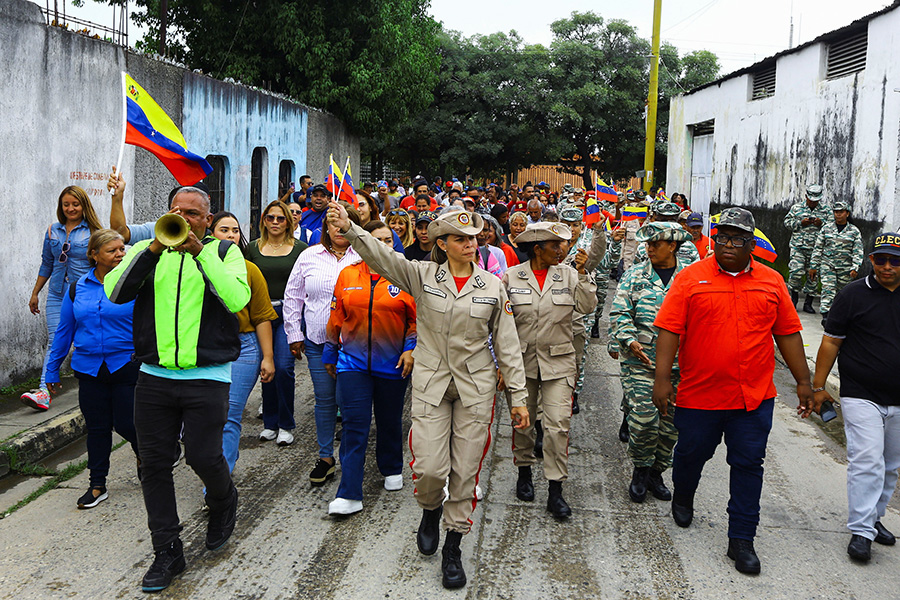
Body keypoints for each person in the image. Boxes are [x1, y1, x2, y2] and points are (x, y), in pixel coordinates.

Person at [326, 203, 529, 590]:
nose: (471, 244)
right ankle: (430, 510)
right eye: (461, 238)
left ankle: (453, 545)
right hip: (433, 385)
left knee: (466, 471)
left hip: (475, 387)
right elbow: (381, 255)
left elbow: (508, 344)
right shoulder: (421, 276)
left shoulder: (492, 286)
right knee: (430, 469)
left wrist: (517, 397)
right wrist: (350, 228)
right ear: (443, 243)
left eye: (474, 238)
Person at [651, 207, 813, 576]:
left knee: (748, 465)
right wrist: (663, 378)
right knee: (691, 454)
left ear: (751, 244)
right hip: (699, 395)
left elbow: (787, 333)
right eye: (722, 237)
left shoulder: (772, 282)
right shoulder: (691, 279)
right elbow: (669, 329)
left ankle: (741, 539)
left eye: (737, 239)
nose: (727, 245)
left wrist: (804, 383)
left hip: (753, 399)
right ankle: (684, 493)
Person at [105, 186, 249, 592]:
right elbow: (115, 292)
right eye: (176, 211)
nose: (183, 218)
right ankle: (167, 550)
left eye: (193, 213)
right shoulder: (147, 254)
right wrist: (151, 250)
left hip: (207, 376)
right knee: (153, 465)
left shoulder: (223, 253)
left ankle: (223, 499)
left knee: (204, 457)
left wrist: (201, 251)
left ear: (206, 219)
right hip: (154, 377)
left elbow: (238, 298)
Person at [811, 232, 900, 562]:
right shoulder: (852, 294)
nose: (887, 266)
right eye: (880, 259)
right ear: (870, 259)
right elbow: (831, 341)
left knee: (890, 467)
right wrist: (819, 388)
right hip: (860, 394)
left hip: (899, 400)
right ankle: (862, 531)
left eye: (895, 260)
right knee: (867, 460)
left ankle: (875, 518)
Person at [323, 220, 417, 515]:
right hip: (352, 363)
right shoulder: (347, 274)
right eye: (375, 239)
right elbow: (336, 315)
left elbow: (416, 322)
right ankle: (349, 492)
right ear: (360, 244)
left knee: (390, 420)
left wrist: (411, 350)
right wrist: (330, 351)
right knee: (354, 425)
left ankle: (391, 466)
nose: (382, 245)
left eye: (388, 240)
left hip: (392, 363)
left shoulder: (405, 277)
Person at [503, 222, 596, 517]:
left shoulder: (569, 274)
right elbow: (500, 324)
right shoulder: (511, 277)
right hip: (521, 364)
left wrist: (583, 273)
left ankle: (555, 489)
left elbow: (587, 305)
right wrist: (498, 364)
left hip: (559, 363)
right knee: (524, 424)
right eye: (555, 245)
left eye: (563, 244)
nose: (563, 250)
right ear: (537, 249)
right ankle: (524, 472)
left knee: (557, 425)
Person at [45, 229, 137, 508]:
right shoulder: (77, 288)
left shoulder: (134, 286)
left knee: (126, 423)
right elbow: (64, 331)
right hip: (89, 367)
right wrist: (51, 370)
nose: (120, 254)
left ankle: (150, 453)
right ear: (94, 255)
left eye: (122, 249)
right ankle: (97, 485)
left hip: (126, 365)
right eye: (113, 250)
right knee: (97, 428)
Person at [609, 222, 692, 504]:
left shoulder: (690, 278)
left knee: (670, 426)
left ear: (672, 246)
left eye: (656, 244)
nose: (650, 248)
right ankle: (640, 470)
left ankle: (657, 472)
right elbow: (619, 312)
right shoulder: (634, 275)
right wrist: (628, 339)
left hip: (680, 367)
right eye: (648, 244)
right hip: (640, 363)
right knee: (644, 421)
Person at [284, 202, 362, 485]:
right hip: (318, 341)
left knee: (351, 402)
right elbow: (293, 296)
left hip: (356, 345)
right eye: (333, 223)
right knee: (325, 400)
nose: (338, 229)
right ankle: (326, 456)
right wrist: (294, 335)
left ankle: (353, 460)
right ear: (325, 228)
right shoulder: (309, 256)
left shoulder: (364, 255)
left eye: (344, 223)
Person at [23, 185, 103, 410]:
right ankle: (43, 391)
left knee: (85, 341)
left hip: (84, 293)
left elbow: (103, 266)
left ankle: (96, 386)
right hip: (58, 294)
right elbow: (46, 263)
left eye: (75, 204)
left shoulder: (95, 232)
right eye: (66, 204)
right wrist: (35, 292)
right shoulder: (52, 231)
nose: (70, 208)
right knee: (55, 340)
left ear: (84, 205)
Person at [210, 212, 277, 471]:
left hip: (244, 348)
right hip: (205, 347)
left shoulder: (251, 270)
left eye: (235, 231)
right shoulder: (197, 265)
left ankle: (219, 480)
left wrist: (268, 358)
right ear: (210, 233)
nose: (230, 235)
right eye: (224, 230)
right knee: (206, 417)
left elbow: (261, 317)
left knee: (229, 416)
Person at [247, 200, 308, 446]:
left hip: (289, 313)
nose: (275, 222)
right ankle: (269, 423)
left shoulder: (301, 249)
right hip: (260, 314)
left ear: (289, 222)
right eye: (270, 218)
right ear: (263, 220)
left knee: (283, 367)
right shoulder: (252, 248)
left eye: (280, 218)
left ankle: (285, 423)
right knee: (266, 368)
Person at [809, 201, 863, 326]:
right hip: (828, 265)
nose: (838, 215)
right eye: (836, 212)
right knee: (828, 290)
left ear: (847, 213)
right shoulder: (826, 229)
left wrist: (855, 267)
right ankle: (826, 317)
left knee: (843, 294)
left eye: (841, 212)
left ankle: (840, 316)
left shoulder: (854, 231)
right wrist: (813, 266)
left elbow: (858, 251)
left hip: (845, 268)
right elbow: (818, 248)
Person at [783, 183, 833, 313]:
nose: (812, 202)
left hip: (816, 249)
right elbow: (786, 223)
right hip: (798, 247)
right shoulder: (796, 208)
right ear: (806, 196)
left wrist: (822, 223)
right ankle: (793, 299)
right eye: (810, 199)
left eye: (815, 200)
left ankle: (808, 303)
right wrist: (800, 223)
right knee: (796, 271)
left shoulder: (826, 211)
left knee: (813, 276)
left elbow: (832, 229)